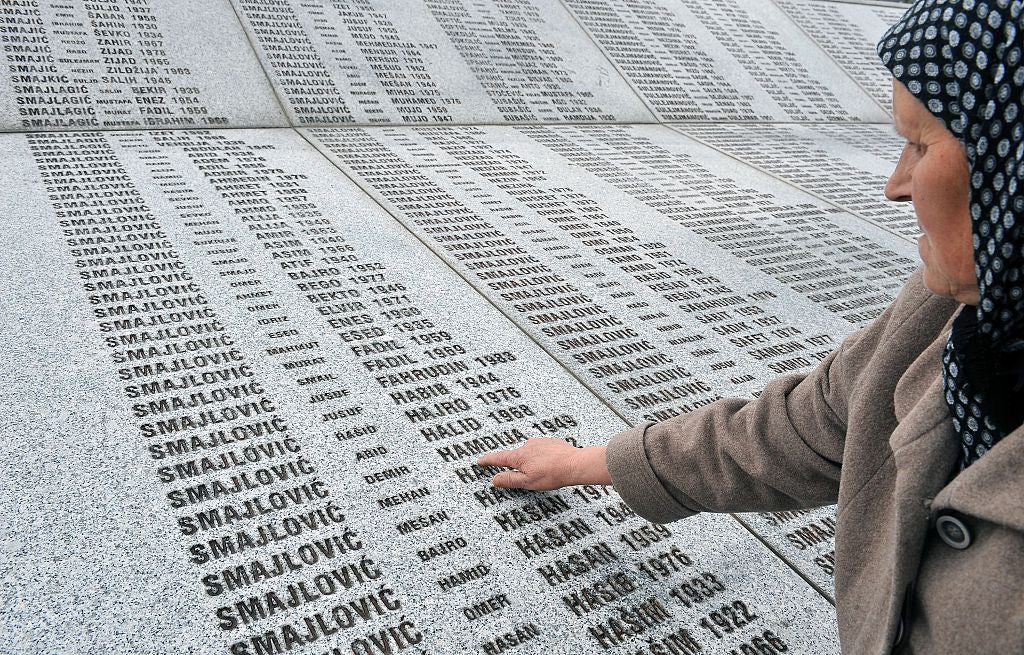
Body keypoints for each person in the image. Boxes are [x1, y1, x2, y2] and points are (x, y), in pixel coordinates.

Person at [477, 1, 1024, 652]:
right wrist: (593, 463)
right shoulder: (954, 303)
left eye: (922, 143)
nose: (895, 185)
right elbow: (819, 421)